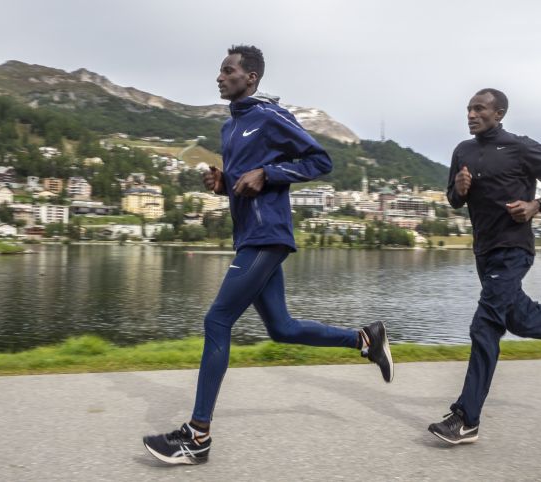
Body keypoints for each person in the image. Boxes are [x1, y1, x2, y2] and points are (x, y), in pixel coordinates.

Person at [143, 45, 394, 465]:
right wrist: (226, 181)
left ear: (251, 77)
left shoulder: (268, 115)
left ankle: (197, 435)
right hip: (249, 236)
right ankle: (365, 339)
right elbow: (247, 181)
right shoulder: (231, 127)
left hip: (267, 234)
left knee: (217, 320)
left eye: (228, 71)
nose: (219, 77)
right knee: (281, 328)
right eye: (220, 71)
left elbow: (321, 160)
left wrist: (269, 173)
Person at [427, 88, 541, 445]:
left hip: (513, 249)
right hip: (485, 251)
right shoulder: (462, 151)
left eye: (479, 109)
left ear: (500, 113)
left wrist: (536, 205)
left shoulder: (520, 147)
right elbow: (452, 201)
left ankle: (466, 419)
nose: (471, 115)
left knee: (485, 326)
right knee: (518, 318)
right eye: (468, 109)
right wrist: (459, 190)